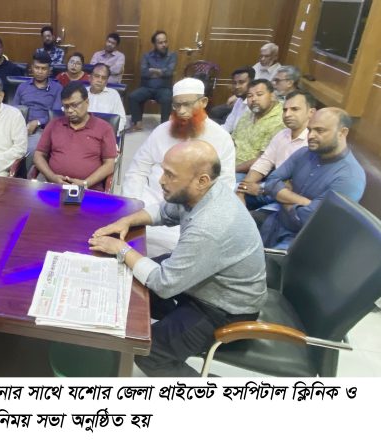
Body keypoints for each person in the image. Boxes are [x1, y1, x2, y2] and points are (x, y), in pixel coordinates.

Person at [89, 140, 266, 377]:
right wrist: (127, 221)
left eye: (170, 175)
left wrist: (121, 249)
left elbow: (164, 283)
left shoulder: (210, 225)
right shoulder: (200, 193)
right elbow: (164, 211)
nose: (161, 180)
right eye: (163, 171)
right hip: (201, 282)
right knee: (129, 280)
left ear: (202, 180)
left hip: (224, 309)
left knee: (150, 353)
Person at [123, 77, 236, 255]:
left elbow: (225, 185)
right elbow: (137, 170)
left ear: (203, 102)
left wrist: (194, 214)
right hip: (149, 201)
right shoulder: (161, 131)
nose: (181, 111)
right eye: (176, 105)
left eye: (187, 104)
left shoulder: (221, 138)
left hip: (190, 211)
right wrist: (133, 203)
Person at [257, 108, 366, 249]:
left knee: (264, 260)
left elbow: (307, 219)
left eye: (319, 130)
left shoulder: (350, 177)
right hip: (277, 220)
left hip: (305, 240)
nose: (311, 136)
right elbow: (271, 182)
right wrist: (305, 202)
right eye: (309, 130)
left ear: (342, 132)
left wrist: (281, 195)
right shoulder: (304, 153)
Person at [237, 90, 315, 209]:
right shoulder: (282, 135)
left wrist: (263, 189)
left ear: (311, 112)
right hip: (268, 187)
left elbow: (295, 184)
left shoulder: (313, 142)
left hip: (288, 197)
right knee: (227, 186)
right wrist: (241, 191)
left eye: (295, 109)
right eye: (285, 110)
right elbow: (264, 163)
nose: (287, 114)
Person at [34, 81, 117, 191]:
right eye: (66, 106)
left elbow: (109, 164)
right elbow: (38, 155)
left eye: (74, 105)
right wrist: (52, 177)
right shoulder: (54, 124)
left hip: (89, 189)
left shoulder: (104, 128)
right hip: (53, 186)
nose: (70, 111)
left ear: (87, 102)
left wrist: (85, 183)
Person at [12, 51, 62, 165]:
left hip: (42, 130)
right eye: (37, 68)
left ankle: (24, 175)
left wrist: (38, 122)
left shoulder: (57, 88)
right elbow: (14, 110)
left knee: (29, 150)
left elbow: (55, 115)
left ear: (49, 70)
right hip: (19, 127)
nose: (39, 71)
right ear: (32, 68)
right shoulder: (22, 87)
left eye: (43, 69)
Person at [232, 79, 285, 173]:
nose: (253, 99)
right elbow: (233, 141)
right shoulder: (248, 114)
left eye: (259, 94)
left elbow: (263, 160)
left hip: (249, 172)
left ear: (272, 96)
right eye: (249, 96)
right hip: (230, 163)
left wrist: (231, 170)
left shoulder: (279, 121)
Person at [128, 30, 177, 129]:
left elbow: (169, 72)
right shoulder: (146, 56)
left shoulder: (172, 56)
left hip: (164, 88)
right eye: (160, 43)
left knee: (167, 99)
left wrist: (153, 70)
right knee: (133, 96)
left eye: (165, 42)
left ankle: (164, 126)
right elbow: (144, 72)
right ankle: (137, 123)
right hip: (147, 87)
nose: (164, 45)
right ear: (154, 44)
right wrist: (161, 72)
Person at [211, 66, 254, 132]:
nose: (237, 86)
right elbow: (228, 126)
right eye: (234, 83)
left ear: (252, 83)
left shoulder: (253, 104)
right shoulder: (239, 100)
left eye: (241, 82)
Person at [87, 63, 127, 133]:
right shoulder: (81, 92)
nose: (100, 80)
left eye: (103, 78)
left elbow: (121, 119)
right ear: (90, 77)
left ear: (107, 81)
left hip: (105, 134)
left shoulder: (113, 95)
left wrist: (109, 133)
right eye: (97, 76)